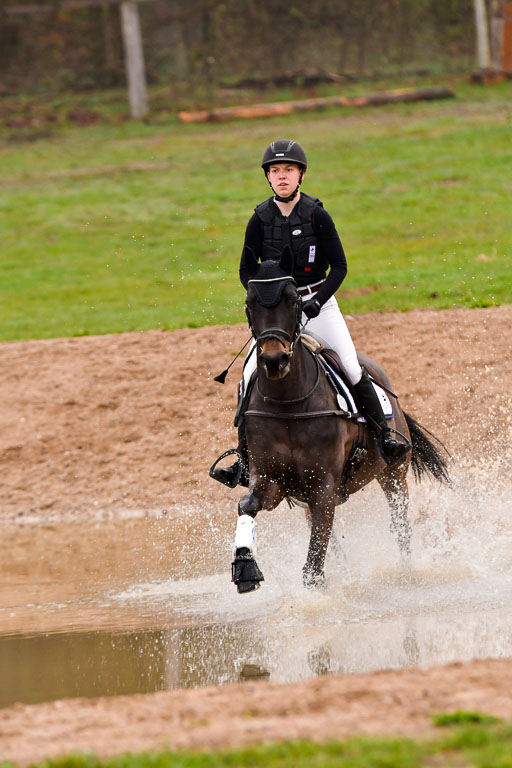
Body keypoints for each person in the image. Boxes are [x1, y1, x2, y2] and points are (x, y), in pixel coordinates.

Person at [212, 139, 410, 487]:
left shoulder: (317, 214)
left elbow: (340, 266)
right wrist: (262, 300)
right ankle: (242, 459)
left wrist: (317, 300)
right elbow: (246, 271)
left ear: (300, 174)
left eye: (288, 170)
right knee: (248, 377)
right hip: (277, 315)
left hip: (318, 304)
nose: (282, 176)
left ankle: (385, 437)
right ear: (268, 178)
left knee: (350, 365)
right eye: (275, 171)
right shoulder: (259, 219)